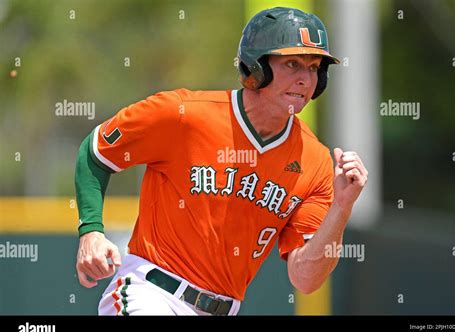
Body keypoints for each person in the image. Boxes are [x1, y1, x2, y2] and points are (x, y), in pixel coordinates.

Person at [75, 6, 368, 316]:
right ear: (257, 68)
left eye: (313, 68)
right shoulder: (184, 115)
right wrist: (91, 230)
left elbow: (305, 278)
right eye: (292, 63)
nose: (304, 78)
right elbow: (95, 152)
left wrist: (342, 208)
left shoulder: (316, 163)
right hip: (151, 294)